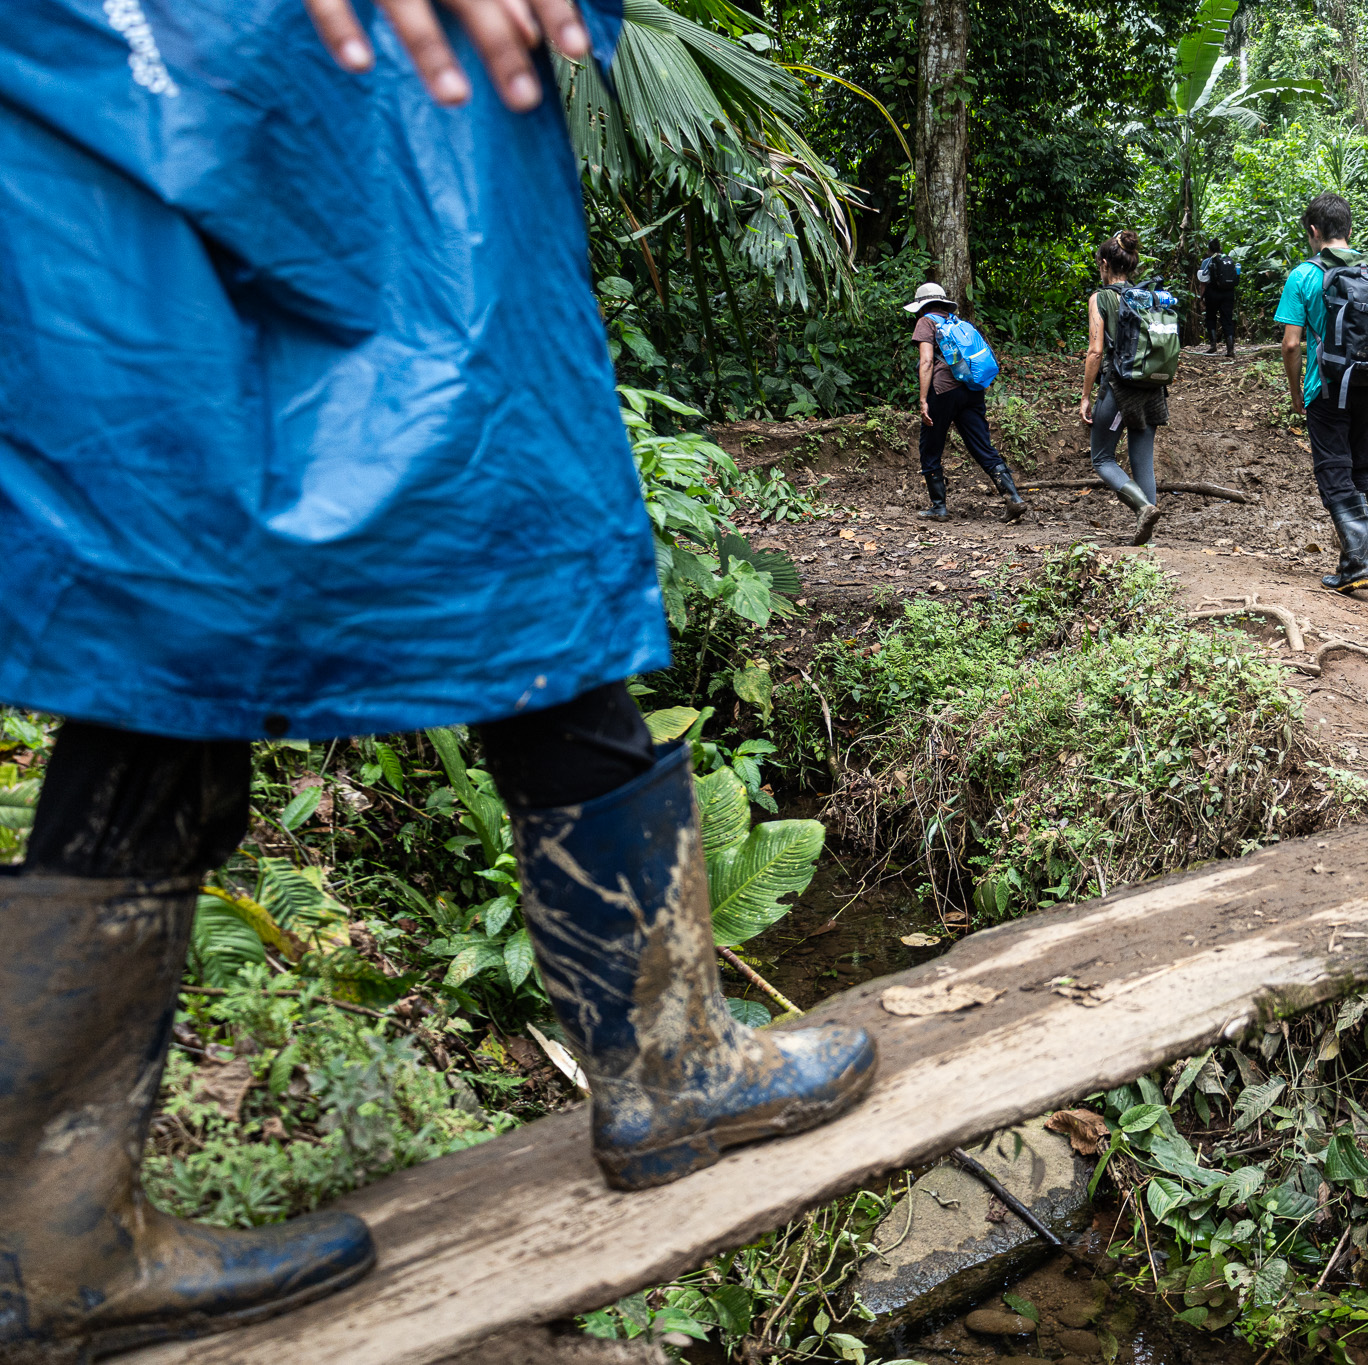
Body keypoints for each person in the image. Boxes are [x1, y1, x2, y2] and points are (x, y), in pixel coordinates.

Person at [0, 0, 878, 1355]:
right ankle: (671, 1061)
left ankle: (49, 1230)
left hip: (134, 82)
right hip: (329, 88)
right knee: (495, 504)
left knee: (176, 596)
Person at [1274, 193, 1368, 595]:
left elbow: (1291, 345)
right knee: (1356, 472)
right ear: (1349, 230)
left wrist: (1297, 394)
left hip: (1326, 385)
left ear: (1313, 232)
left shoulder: (1303, 275)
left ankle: (1359, 561)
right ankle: (1354, 562)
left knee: (1333, 472)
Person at [905, 282, 1028, 523]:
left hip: (943, 391)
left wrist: (922, 400)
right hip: (972, 391)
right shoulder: (959, 323)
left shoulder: (925, 322)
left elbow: (927, 362)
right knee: (982, 446)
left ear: (922, 307)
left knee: (930, 445)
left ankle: (938, 507)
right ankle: (1013, 497)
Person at [1079, 229, 1168, 546]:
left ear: (1104, 263)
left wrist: (1086, 395)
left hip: (1119, 391)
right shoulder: (1147, 296)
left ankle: (1143, 508)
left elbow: (1095, 351)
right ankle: (1150, 542)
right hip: (1152, 388)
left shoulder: (1100, 298)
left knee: (1102, 458)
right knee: (1142, 461)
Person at [1197, 238, 1239, 356]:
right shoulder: (1228, 260)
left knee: (1210, 317)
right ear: (1220, 248)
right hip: (1228, 293)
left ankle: (1213, 345)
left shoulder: (1207, 261)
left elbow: (1203, 282)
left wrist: (1201, 298)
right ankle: (1230, 349)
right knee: (1227, 319)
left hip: (1213, 293)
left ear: (1209, 250)